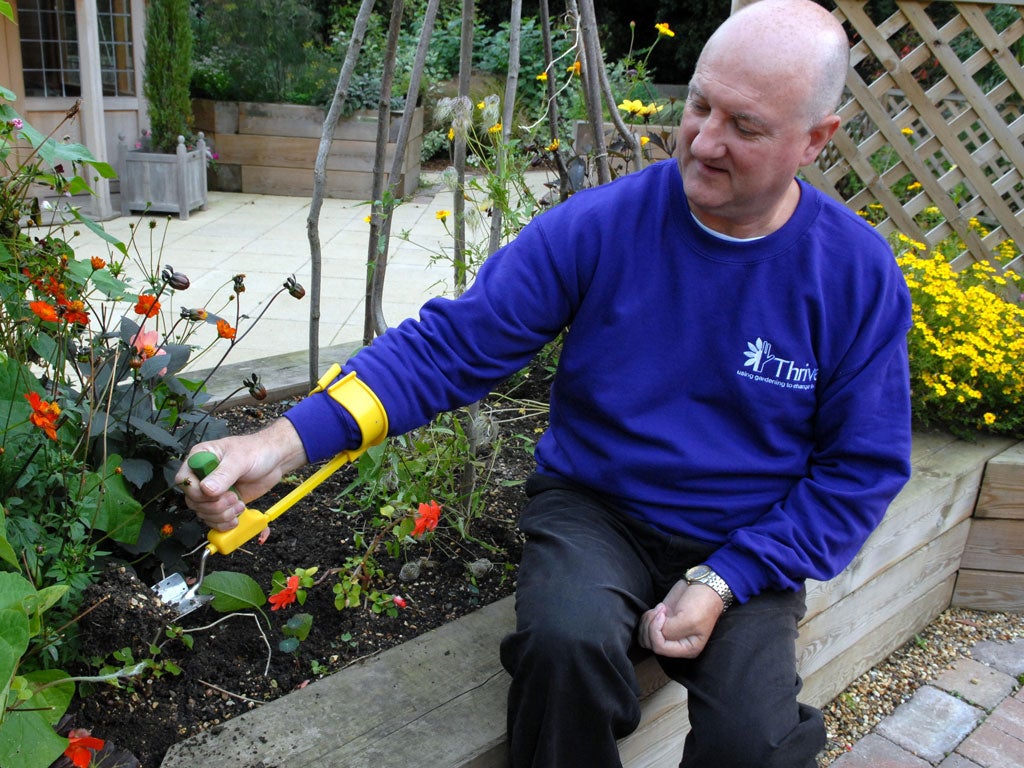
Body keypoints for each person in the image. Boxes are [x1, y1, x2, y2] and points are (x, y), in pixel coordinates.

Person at [175, 1, 913, 765]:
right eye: (698, 105)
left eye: (747, 126)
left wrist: (728, 579)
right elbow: (449, 348)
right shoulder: (600, 226)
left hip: (749, 535)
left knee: (751, 741)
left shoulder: (854, 276)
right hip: (597, 511)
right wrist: (280, 444)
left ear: (816, 141)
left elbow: (862, 471)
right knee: (564, 651)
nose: (704, 140)